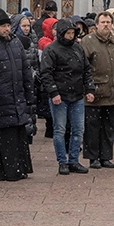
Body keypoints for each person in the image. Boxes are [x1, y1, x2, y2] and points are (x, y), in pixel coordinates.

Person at [0, 10, 35, 182]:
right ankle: (3, 170)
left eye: (8, 25)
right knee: (2, 135)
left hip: (16, 95)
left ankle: (18, 169)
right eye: (3, 26)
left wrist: (29, 94)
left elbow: (25, 69)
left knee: (17, 133)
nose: (7, 29)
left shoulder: (15, 42)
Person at [38, 18, 93, 175]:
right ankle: (62, 161)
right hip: (60, 96)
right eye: (68, 33)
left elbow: (86, 70)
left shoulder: (78, 49)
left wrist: (89, 89)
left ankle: (74, 160)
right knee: (60, 129)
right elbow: (46, 73)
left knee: (78, 129)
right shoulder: (52, 50)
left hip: (76, 95)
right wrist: (54, 92)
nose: (70, 36)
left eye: (72, 33)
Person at [81, 11, 114, 169]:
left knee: (109, 127)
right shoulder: (88, 42)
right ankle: (93, 157)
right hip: (95, 93)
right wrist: (88, 89)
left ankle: (106, 156)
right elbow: (83, 68)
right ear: (96, 25)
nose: (106, 25)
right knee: (93, 127)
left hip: (113, 91)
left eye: (108, 22)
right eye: (103, 22)